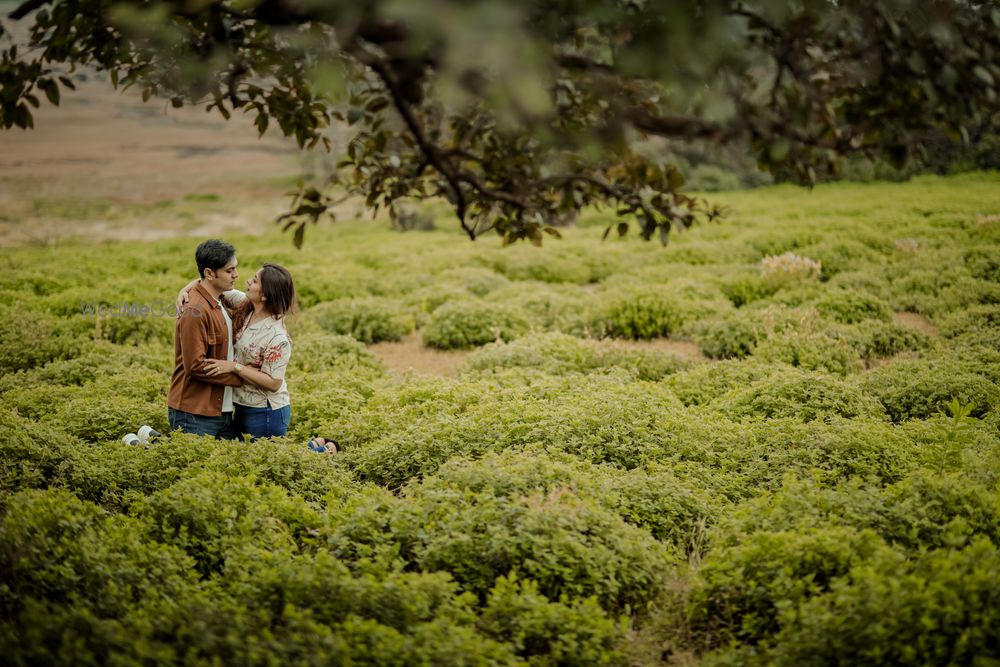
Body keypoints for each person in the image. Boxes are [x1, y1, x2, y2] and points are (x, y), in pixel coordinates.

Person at [178, 263, 296, 439]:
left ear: (265, 295)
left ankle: (321, 448)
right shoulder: (245, 304)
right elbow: (210, 284)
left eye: (255, 281)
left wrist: (235, 367)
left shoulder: (277, 337)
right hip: (241, 405)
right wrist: (185, 290)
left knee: (266, 463)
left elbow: (274, 383)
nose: (248, 281)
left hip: (266, 412)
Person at [167, 239, 244, 438]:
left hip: (222, 410)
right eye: (229, 270)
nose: (236, 275)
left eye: (235, 268)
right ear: (209, 273)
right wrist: (245, 377)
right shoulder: (194, 310)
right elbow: (195, 365)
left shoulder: (222, 299)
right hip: (195, 413)